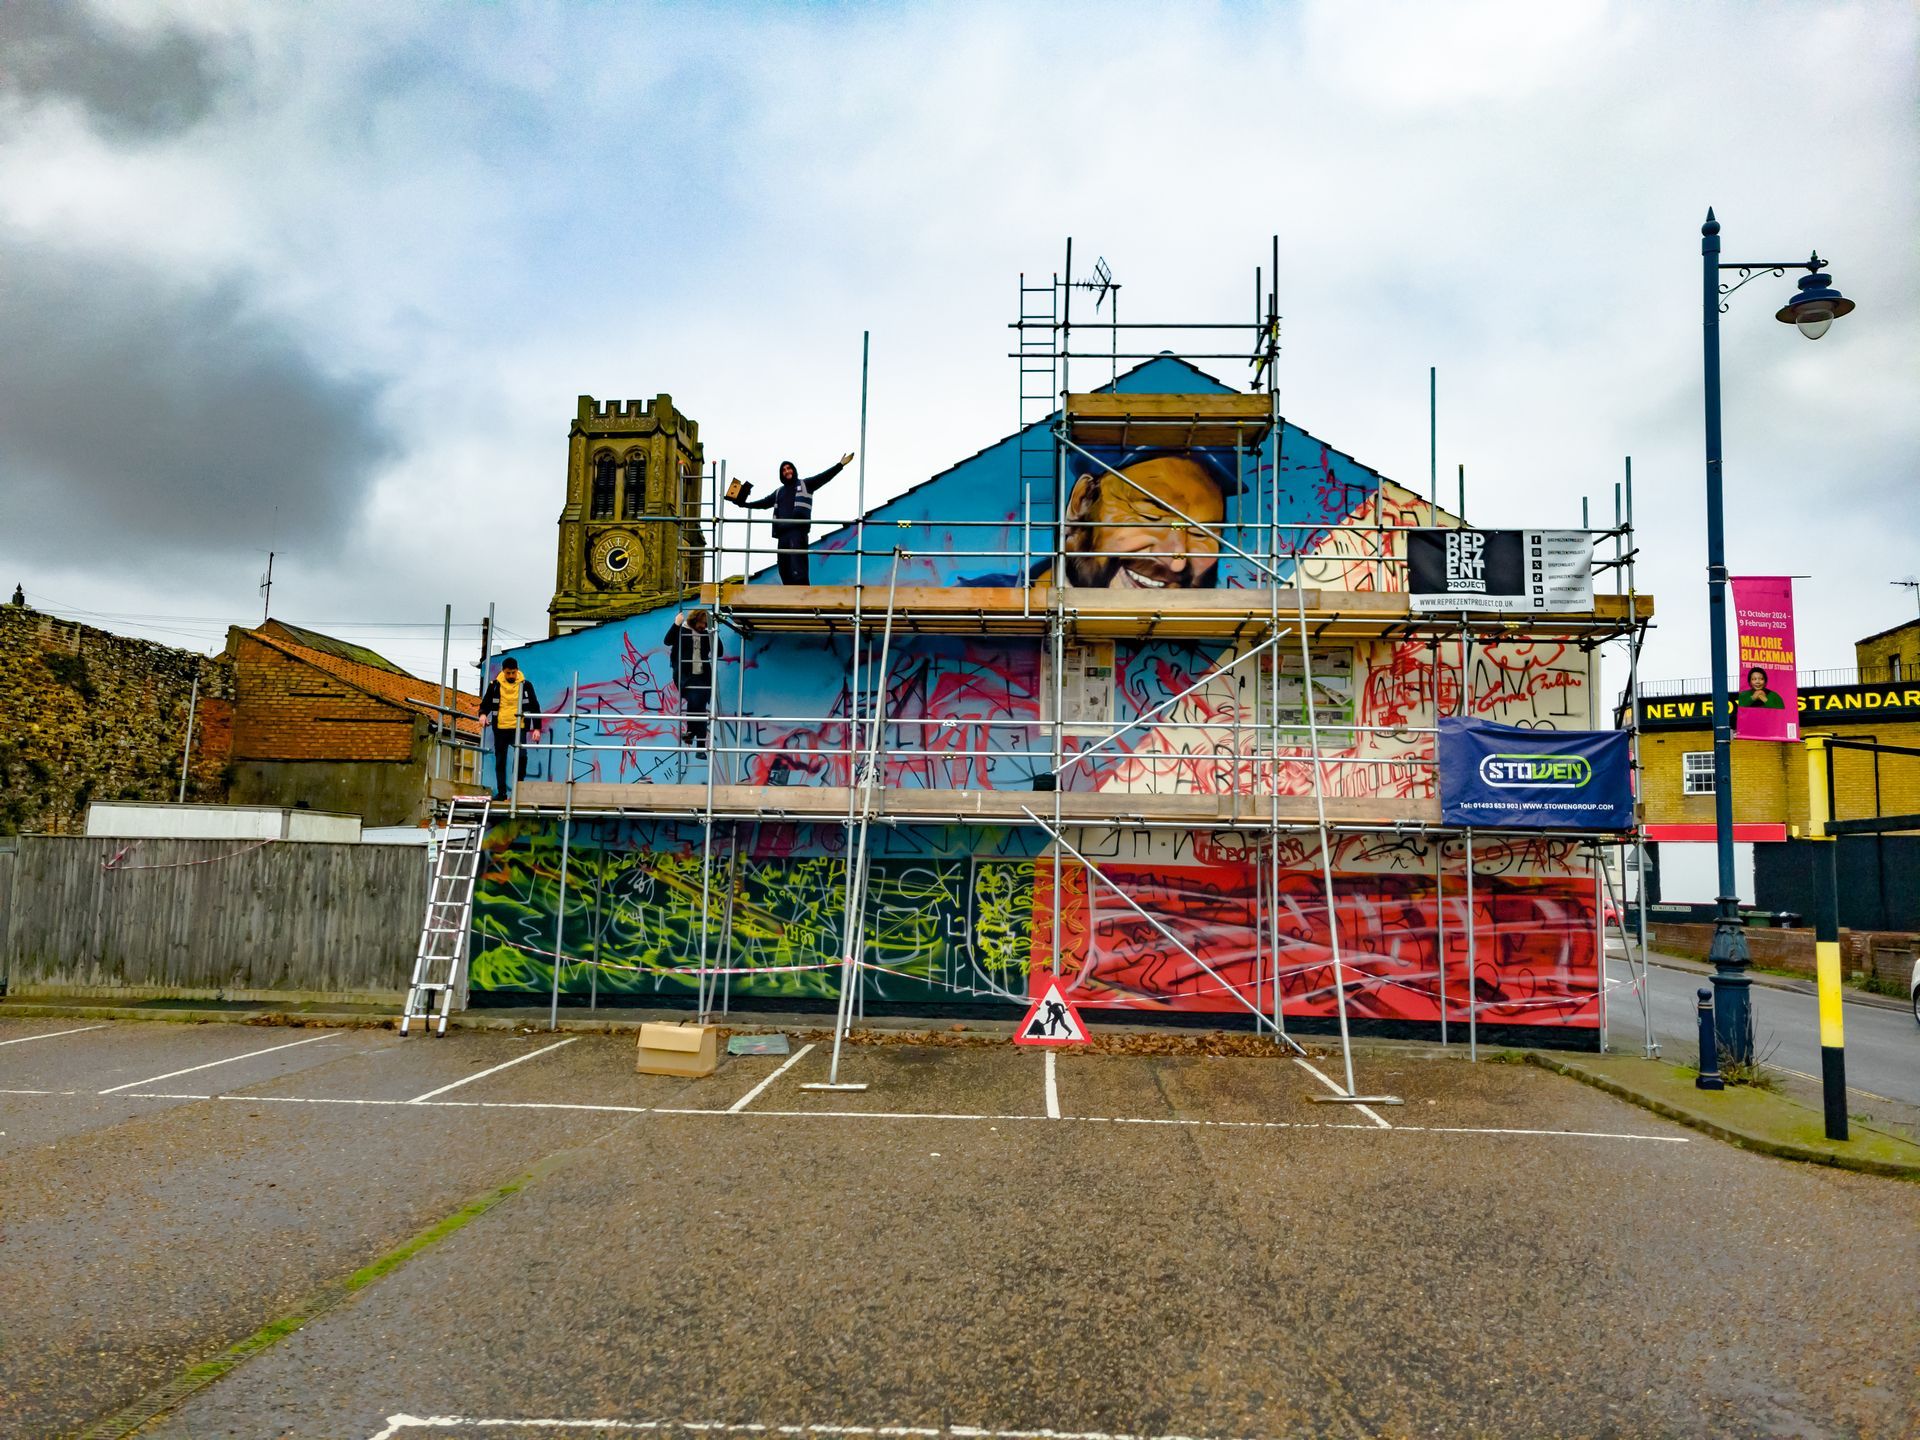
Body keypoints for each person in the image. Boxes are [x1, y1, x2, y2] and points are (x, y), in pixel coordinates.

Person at [962, 448, 1238, 589]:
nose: (1177, 562)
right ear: (1082, 500)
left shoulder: (1234, 648)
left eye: (1202, 532)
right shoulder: (974, 621)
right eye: (1151, 515)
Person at [727, 452, 854, 585]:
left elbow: (823, 477)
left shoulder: (805, 484)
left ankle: (803, 593)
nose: (787, 471)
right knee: (784, 568)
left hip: (797, 532)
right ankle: (789, 593)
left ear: (793, 469)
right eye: (784, 470)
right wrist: (745, 504)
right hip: (783, 534)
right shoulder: (779, 492)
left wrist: (840, 465)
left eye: (789, 468)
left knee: (798, 567)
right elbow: (764, 503)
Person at [478, 658, 541, 800]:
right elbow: (486, 703)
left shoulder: (526, 685)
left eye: (513, 672)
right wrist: (482, 715)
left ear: (517, 670)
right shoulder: (495, 685)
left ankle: (518, 791)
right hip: (500, 727)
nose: (511, 675)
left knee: (522, 756)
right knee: (500, 760)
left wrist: (537, 728)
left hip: (519, 727)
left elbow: (534, 706)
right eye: (508, 673)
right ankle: (502, 793)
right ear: (503, 671)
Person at [663, 607, 719, 746]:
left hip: (703, 676)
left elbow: (720, 652)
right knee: (696, 699)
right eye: (702, 623)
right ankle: (697, 739)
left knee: (699, 704)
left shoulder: (706, 633)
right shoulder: (682, 630)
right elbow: (667, 641)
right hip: (685, 677)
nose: (704, 626)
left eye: (706, 624)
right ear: (695, 620)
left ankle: (694, 737)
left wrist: (713, 633)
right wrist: (676, 624)